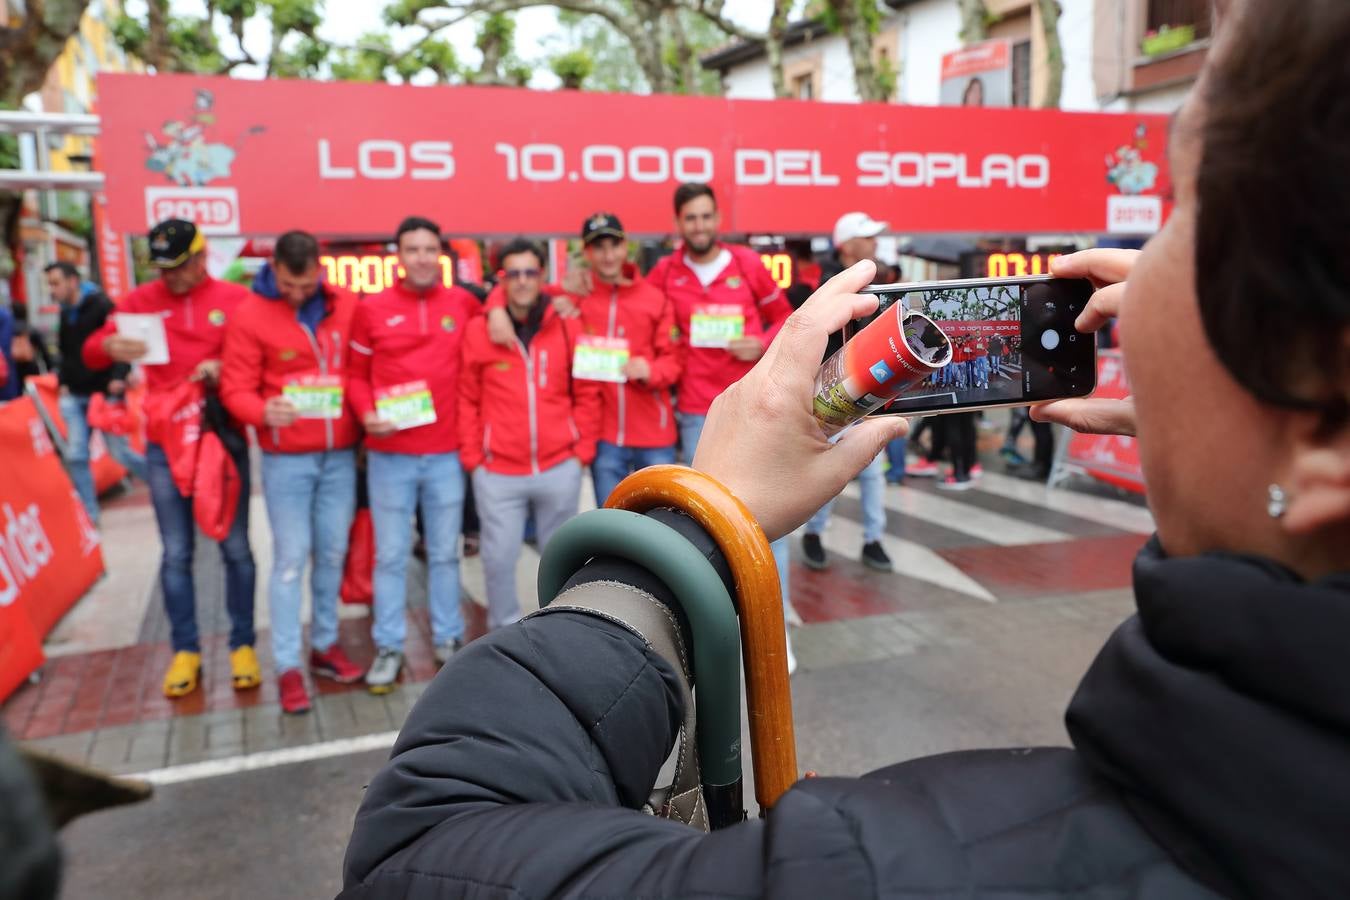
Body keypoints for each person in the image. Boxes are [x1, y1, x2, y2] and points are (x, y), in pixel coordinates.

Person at [343, 4, 1350, 889]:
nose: (1126, 275)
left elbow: (425, 847)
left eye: (1184, 216)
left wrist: (690, 522)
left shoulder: (893, 867)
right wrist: (1228, 438)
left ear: (1327, 422)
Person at [82, 219, 258, 699]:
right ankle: (186, 649)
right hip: (164, 446)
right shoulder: (140, 301)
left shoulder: (235, 300)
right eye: (165, 269)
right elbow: (92, 351)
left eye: (181, 267)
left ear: (201, 257)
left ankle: (243, 642)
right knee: (176, 551)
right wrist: (108, 346)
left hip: (221, 440)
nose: (173, 278)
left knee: (236, 546)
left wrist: (226, 368)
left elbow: (256, 360)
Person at [220, 231, 364, 714]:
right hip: (287, 460)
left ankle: (323, 644)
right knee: (289, 561)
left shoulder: (345, 305)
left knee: (331, 554)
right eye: (288, 283)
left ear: (319, 269)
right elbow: (233, 388)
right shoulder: (250, 314)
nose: (297, 293)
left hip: (340, 455)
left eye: (306, 285)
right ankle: (286, 664)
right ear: (274, 267)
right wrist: (262, 411)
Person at [346, 216, 482, 693]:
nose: (422, 257)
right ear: (398, 256)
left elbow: (505, 312)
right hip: (390, 456)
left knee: (445, 554)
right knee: (389, 557)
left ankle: (448, 639)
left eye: (429, 249)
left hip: (445, 454)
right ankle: (388, 645)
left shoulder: (463, 303)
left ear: (440, 255)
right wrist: (366, 415)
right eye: (412, 249)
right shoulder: (372, 308)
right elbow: (356, 374)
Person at [458, 238, 600, 630]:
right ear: (501, 279)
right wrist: (475, 460)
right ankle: (504, 634)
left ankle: (558, 631)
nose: (522, 281)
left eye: (529, 272)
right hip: (498, 472)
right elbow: (467, 398)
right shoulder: (479, 330)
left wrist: (581, 450)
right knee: (499, 560)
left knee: (560, 560)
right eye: (513, 273)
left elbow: (586, 388)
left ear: (541, 277)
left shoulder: (566, 324)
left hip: (559, 465)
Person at [800, 212, 894, 574]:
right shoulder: (821, 287)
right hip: (832, 396)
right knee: (829, 471)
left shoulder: (880, 283)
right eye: (867, 237)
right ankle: (814, 533)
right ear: (846, 244)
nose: (874, 243)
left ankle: (874, 540)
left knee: (873, 472)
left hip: (873, 392)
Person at [570, 213, 681, 506]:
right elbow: (524, 297)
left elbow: (673, 362)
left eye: (613, 245)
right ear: (586, 252)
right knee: (611, 528)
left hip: (654, 436)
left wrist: (651, 370)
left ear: (625, 247)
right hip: (605, 438)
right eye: (598, 247)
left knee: (660, 524)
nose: (607, 255)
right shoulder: (577, 298)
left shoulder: (655, 299)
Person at [44, 262, 135, 521]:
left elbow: (121, 344)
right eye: (49, 284)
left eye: (56, 283)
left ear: (72, 281)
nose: (52, 289)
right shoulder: (64, 312)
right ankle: (90, 517)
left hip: (103, 393)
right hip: (75, 394)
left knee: (121, 453)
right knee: (76, 456)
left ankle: (166, 488)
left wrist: (118, 377)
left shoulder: (101, 305)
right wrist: (62, 379)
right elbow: (66, 351)